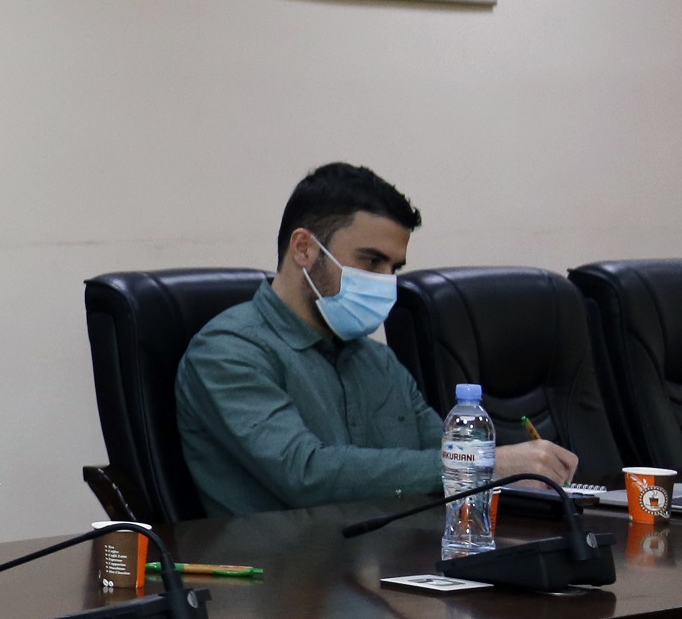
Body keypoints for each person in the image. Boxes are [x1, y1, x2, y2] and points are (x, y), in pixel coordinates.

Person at [175, 162, 576, 515]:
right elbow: (304, 474)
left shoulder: (378, 361)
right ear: (304, 249)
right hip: (285, 572)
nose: (386, 282)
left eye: (394, 267)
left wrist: (515, 473)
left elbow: (441, 458)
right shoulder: (227, 353)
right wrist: (485, 464)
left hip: (396, 560)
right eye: (371, 260)